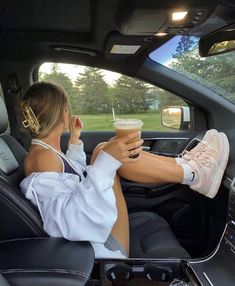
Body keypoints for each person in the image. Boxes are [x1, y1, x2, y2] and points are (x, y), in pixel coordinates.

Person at [20, 81, 230, 259]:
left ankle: (190, 169)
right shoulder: (42, 158)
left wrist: (75, 141)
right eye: (67, 108)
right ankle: (194, 173)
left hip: (98, 231)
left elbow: (72, 178)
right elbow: (69, 220)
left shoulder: (45, 152)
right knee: (108, 153)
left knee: (105, 149)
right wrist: (106, 162)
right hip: (101, 245)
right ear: (62, 114)